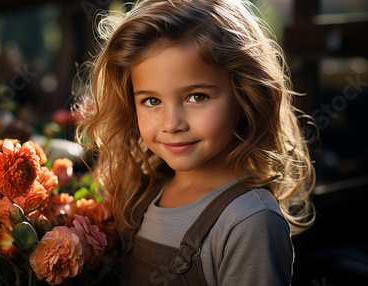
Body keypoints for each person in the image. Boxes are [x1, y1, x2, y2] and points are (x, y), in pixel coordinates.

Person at [74, 0, 316, 285]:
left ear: (245, 94)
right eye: (152, 101)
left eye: (197, 97)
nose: (172, 124)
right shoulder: (144, 193)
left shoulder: (249, 222)